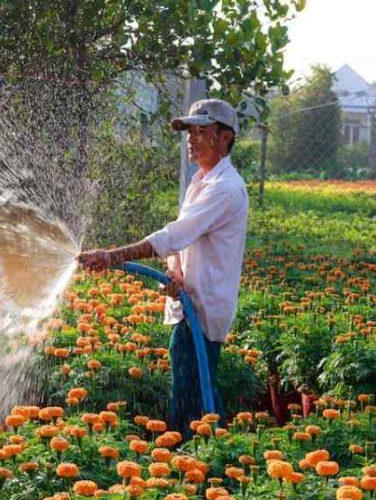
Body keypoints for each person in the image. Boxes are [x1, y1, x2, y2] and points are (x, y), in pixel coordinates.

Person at [77, 98, 249, 435]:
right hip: (189, 303)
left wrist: (113, 256)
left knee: (194, 397)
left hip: (203, 308)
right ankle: (209, 457)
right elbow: (180, 242)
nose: (191, 138)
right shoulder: (202, 183)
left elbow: (174, 235)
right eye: (189, 131)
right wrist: (176, 273)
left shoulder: (225, 189)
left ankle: (202, 461)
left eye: (201, 131)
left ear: (225, 137)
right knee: (195, 389)